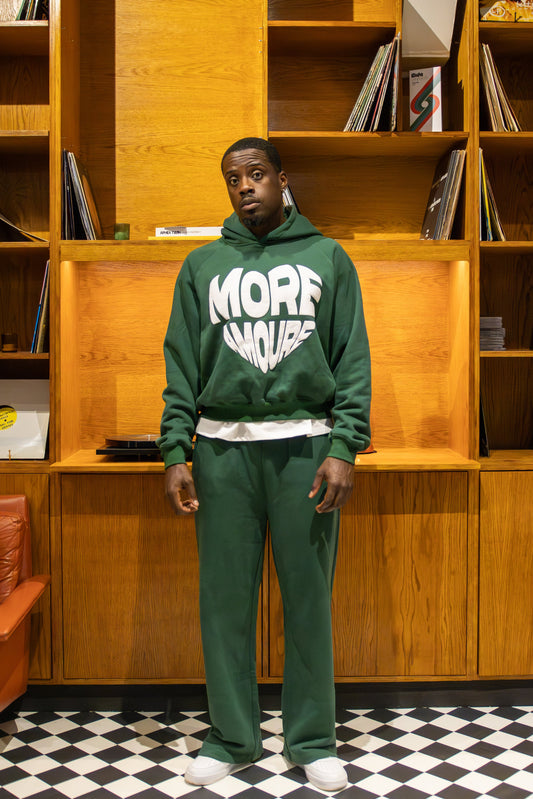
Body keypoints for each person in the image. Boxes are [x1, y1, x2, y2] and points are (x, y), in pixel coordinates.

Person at [158, 137, 371, 792]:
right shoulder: (201, 266)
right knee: (224, 601)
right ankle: (232, 735)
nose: (244, 185)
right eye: (232, 178)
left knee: (307, 599)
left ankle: (311, 738)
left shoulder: (327, 258)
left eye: (255, 174)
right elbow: (179, 365)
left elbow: (352, 359)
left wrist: (343, 445)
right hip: (221, 449)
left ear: (282, 179)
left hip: (305, 446)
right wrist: (174, 449)